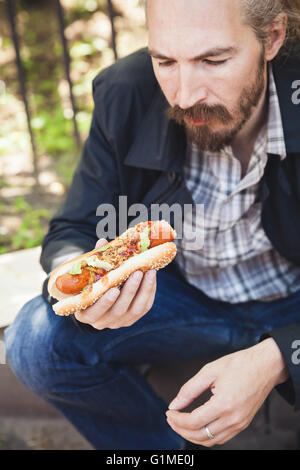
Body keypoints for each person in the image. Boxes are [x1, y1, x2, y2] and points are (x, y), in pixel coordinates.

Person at [5, 0, 300, 450]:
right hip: (181, 299)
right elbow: (75, 227)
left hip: (293, 304)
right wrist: (87, 284)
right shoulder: (127, 91)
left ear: (273, 37)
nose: (183, 96)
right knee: (35, 341)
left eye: (213, 60)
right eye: (165, 61)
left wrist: (280, 356)